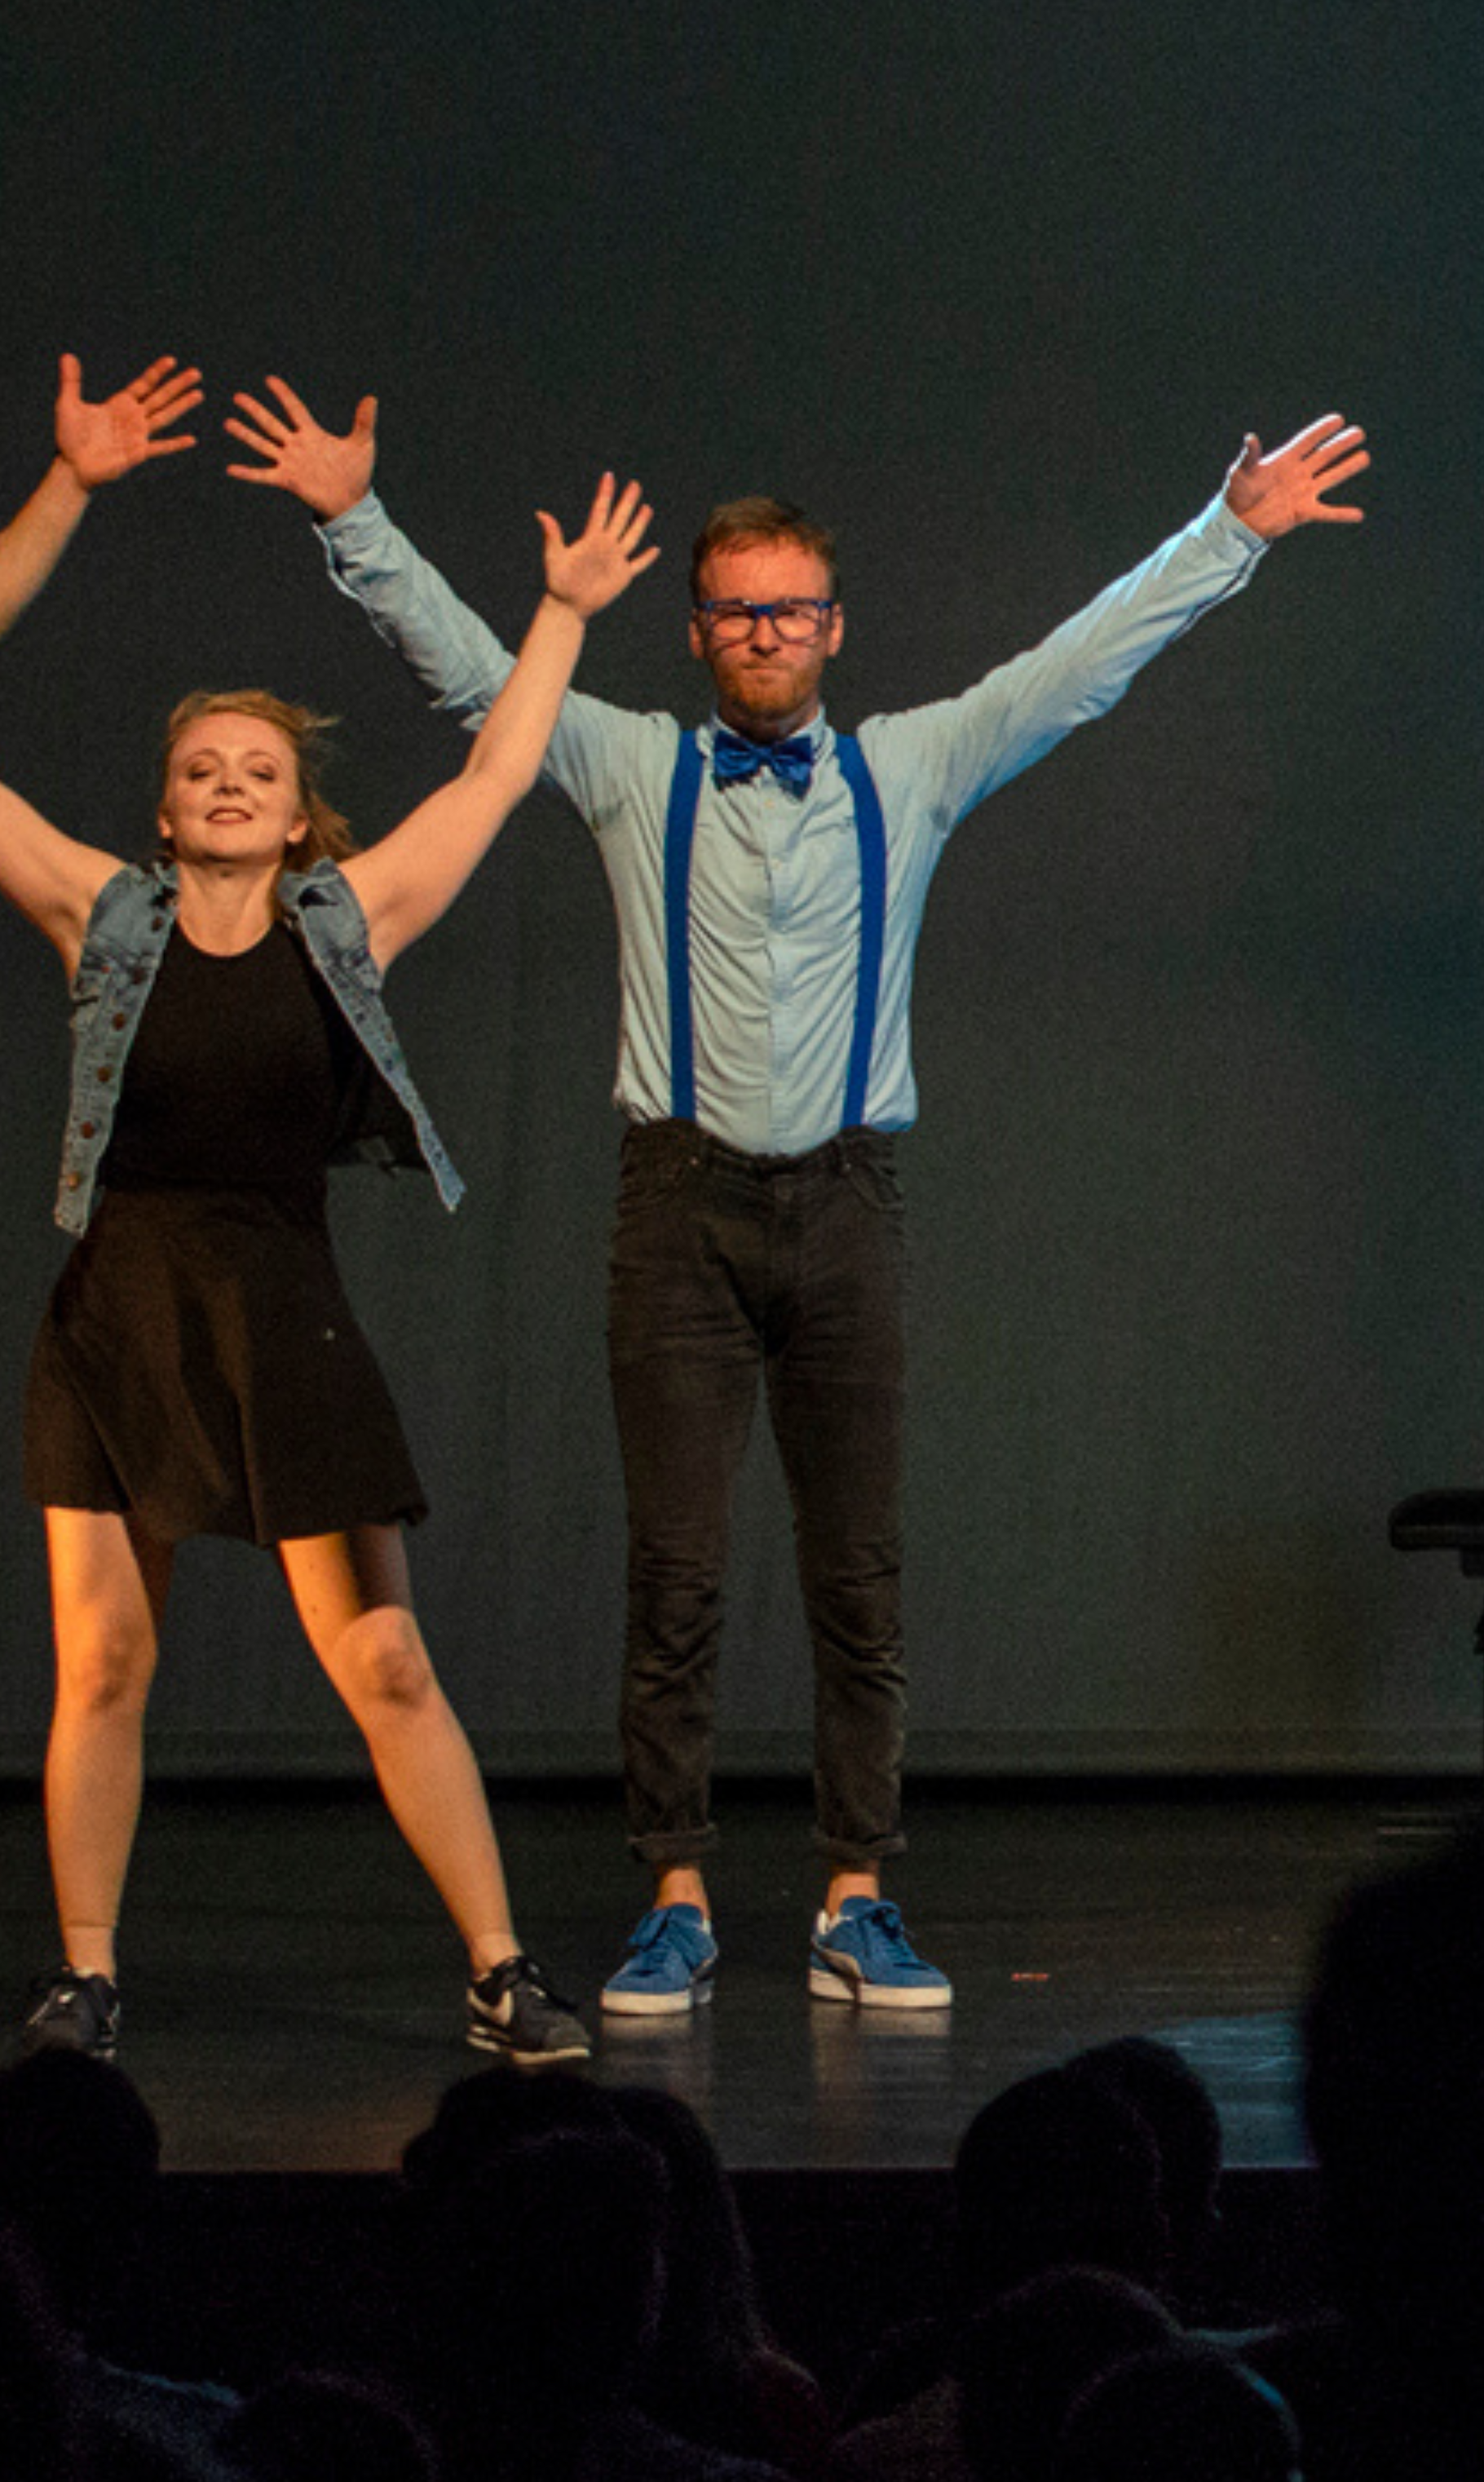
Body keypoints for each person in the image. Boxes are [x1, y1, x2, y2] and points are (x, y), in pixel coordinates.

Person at [227, 378, 1371, 2019]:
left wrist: (1227, 534)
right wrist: (356, 518)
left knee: (858, 1570)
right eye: (735, 613)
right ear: (696, 635)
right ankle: (675, 1894)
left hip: (845, 1209)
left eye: (791, 611)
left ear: (833, 628)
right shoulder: (630, 768)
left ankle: (856, 1892)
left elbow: (1079, 667)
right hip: (676, 1209)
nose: (764, 634)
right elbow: (479, 677)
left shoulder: (914, 767)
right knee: (677, 1571)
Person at [0, 383, 651, 2064]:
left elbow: (503, 770)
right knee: (106, 1664)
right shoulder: (99, 909)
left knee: (386, 1665)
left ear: (299, 817)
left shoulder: (347, 920)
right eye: (198, 769)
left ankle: (501, 1964)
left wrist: (562, 614)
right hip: (119, 1314)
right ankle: (86, 1974)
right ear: (161, 810)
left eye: (259, 772)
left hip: (282, 1309)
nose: (225, 785)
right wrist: (68, 493)